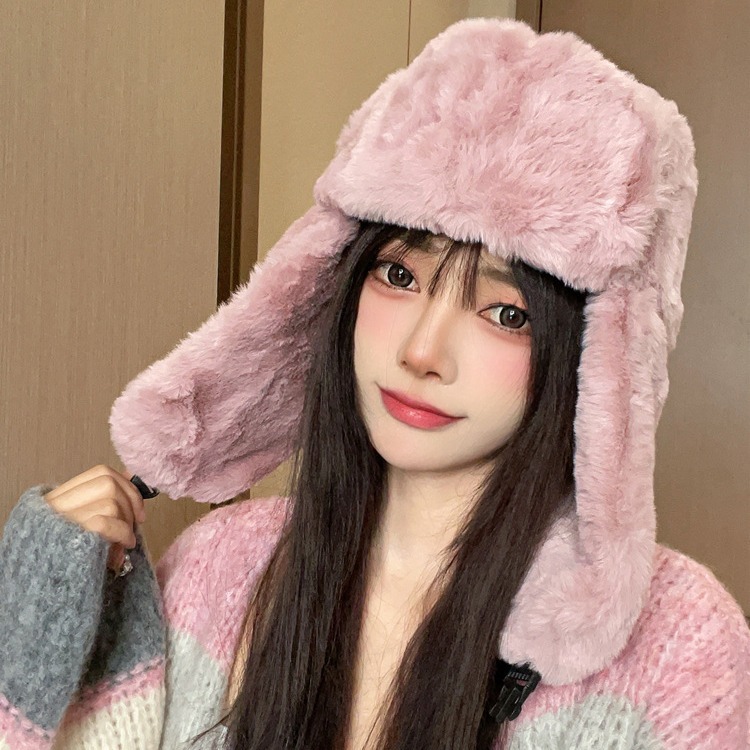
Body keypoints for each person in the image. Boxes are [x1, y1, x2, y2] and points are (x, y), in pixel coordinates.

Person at [0, 16, 748, 750]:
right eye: (399, 275)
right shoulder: (218, 566)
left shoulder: (682, 647)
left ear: (595, 356)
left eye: (505, 313)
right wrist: (35, 610)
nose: (422, 352)